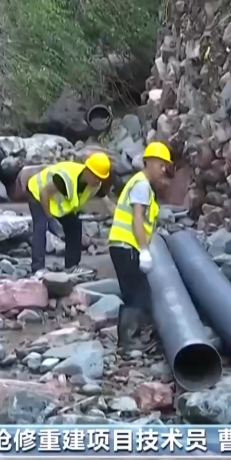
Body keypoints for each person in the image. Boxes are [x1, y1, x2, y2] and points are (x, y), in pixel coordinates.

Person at [108, 141, 172, 351]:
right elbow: (137, 218)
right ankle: (129, 341)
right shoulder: (142, 185)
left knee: (135, 292)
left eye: (165, 166)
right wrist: (144, 251)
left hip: (124, 246)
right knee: (138, 294)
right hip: (126, 246)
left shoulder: (143, 186)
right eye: (161, 165)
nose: (163, 170)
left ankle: (131, 338)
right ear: (149, 162)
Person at [26, 153, 111, 275]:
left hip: (57, 202)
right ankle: (37, 268)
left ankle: (71, 266)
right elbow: (44, 193)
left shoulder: (95, 185)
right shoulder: (65, 177)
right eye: (95, 176)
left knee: (75, 225)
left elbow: (109, 204)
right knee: (41, 226)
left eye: (101, 178)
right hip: (37, 192)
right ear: (87, 169)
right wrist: (50, 218)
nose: (97, 180)